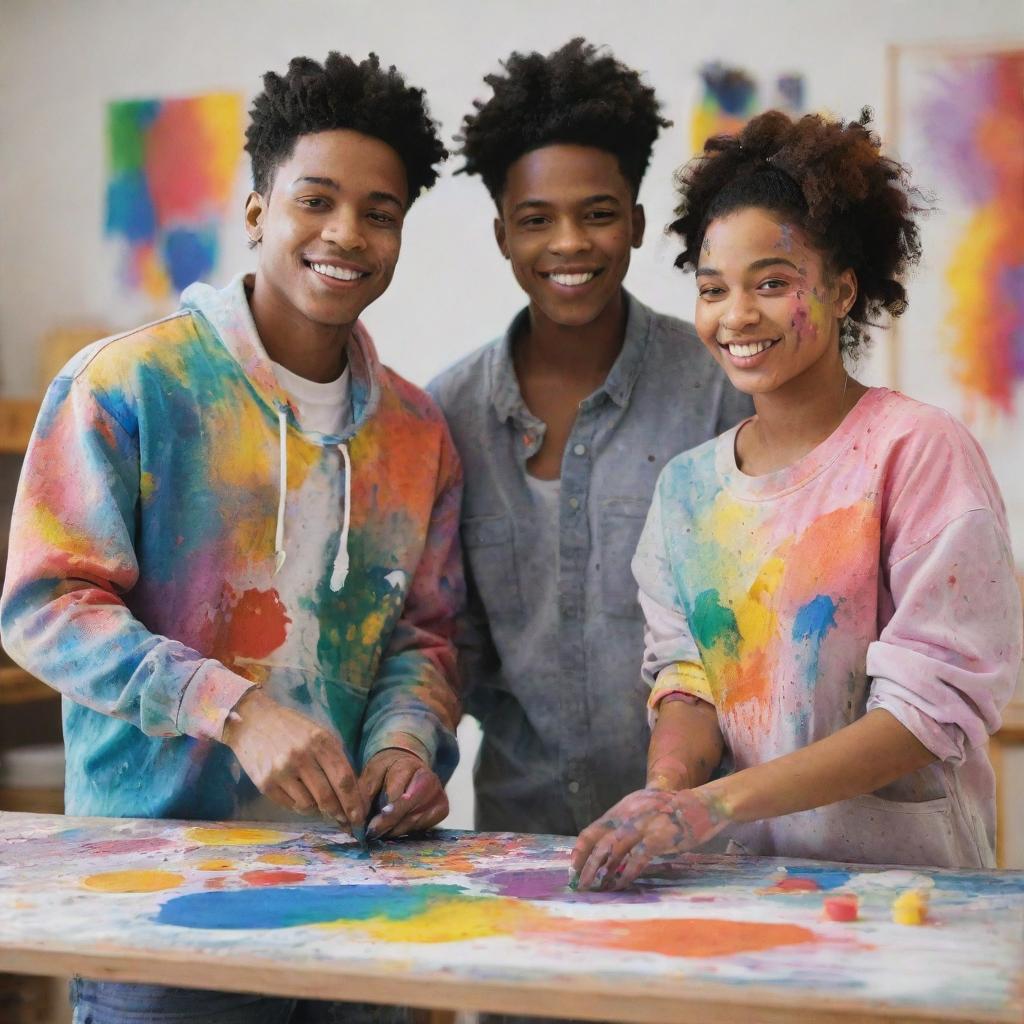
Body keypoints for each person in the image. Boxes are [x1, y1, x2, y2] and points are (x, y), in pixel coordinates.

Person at [1, 52, 461, 1022]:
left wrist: (408, 747)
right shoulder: (129, 383)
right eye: (317, 199)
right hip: (159, 904)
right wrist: (235, 709)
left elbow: (422, 637)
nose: (347, 233)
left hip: (356, 899)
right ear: (257, 210)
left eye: (380, 211)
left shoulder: (416, 435)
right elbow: (45, 607)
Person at [572, 108, 1023, 890]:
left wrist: (717, 805)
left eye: (772, 284)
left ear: (843, 289)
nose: (737, 315)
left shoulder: (915, 453)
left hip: (907, 901)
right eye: (714, 289)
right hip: (740, 890)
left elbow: (927, 712)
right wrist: (669, 792)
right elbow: (687, 679)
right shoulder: (686, 490)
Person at [429, 39, 752, 837]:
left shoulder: (721, 387)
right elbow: (444, 638)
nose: (568, 243)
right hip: (517, 841)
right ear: (503, 234)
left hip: (707, 841)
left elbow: (752, 628)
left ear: (638, 223)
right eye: (536, 220)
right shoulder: (447, 416)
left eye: (598, 213)